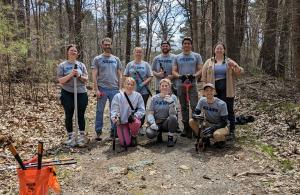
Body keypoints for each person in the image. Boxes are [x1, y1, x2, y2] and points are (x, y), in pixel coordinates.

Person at [201, 42, 244, 140]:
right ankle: (217, 131)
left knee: (229, 110)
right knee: (215, 110)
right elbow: (203, 77)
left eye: (221, 48)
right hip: (213, 90)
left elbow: (240, 72)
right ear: (214, 50)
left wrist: (235, 66)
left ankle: (232, 131)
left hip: (227, 89)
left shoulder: (229, 61)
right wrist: (204, 89)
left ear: (224, 50)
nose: (219, 50)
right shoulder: (209, 62)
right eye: (217, 48)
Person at [91, 37, 123, 141]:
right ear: (102, 45)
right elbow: (94, 75)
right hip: (102, 88)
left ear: (111, 45)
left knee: (114, 111)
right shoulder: (97, 59)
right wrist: (96, 89)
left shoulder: (116, 59)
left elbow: (120, 75)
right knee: (99, 111)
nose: (107, 46)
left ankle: (113, 132)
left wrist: (120, 88)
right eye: (105, 44)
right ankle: (98, 132)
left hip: (114, 89)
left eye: (109, 44)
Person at [57, 44, 89, 147]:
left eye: (75, 51)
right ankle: (71, 136)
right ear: (67, 52)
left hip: (81, 92)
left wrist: (79, 75)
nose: (73, 52)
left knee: (80, 114)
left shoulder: (81, 65)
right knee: (69, 114)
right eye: (71, 50)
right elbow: (60, 80)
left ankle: (81, 136)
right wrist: (71, 75)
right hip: (67, 92)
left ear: (77, 53)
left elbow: (86, 79)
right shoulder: (62, 65)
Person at [172, 37, 203, 138]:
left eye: (188, 43)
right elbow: (174, 71)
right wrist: (179, 76)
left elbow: (200, 69)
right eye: (185, 43)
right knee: (184, 106)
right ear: (182, 45)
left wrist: (194, 75)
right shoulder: (177, 57)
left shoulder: (196, 56)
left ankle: (194, 127)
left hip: (192, 84)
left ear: (191, 45)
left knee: (194, 106)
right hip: (181, 85)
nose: (186, 45)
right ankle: (186, 128)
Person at [189, 83, 228, 148]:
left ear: (214, 92)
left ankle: (222, 140)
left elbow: (224, 122)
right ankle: (204, 138)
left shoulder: (222, 104)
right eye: (207, 90)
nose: (209, 92)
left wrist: (213, 128)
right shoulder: (202, 100)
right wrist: (195, 116)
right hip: (208, 123)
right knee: (191, 121)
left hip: (221, 126)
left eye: (211, 90)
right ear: (204, 92)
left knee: (217, 135)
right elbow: (195, 113)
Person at [124, 47, 153, 132]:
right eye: (137, 52)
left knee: (141, 108)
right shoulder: (130, 64)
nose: (138, 53)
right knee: (131, 108)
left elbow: (151, 76)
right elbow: (125, 76)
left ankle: (140, 126)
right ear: (134, 53)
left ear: (142, 54)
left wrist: (143, 84)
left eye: (140, 52)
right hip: (131, 90)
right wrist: (129, 84)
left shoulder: (146, 64)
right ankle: (130, 124)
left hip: (143, 91)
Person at [111, 77, 145, 146]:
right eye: (128, 84)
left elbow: (142, 109)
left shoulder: (138, 96)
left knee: (136, 122)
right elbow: (114, 109)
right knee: (125, 143)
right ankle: (126, 134)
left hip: (132, 121)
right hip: (122, 122)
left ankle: (133, 135)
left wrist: (135, 116)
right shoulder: (118, 96)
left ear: (134, 86)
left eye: (132, 84)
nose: (129, 86)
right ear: (124, 84)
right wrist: (115, 118)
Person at [146, 79, 178, 147]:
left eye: (166, 85)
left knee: (173, 118)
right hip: (157, 122)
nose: (164, 87)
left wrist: (172, 104)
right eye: (162, 86)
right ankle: (158, 134)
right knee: (149, 133)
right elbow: (150, 113)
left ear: (169, 87)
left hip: (167, 122)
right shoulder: (154, 98)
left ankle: (170, 138)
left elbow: (173, 114)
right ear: (159, 87)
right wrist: (152, 123)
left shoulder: (173, 97)